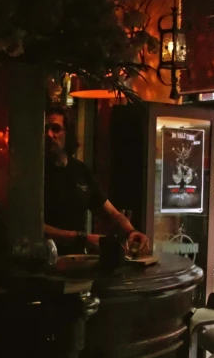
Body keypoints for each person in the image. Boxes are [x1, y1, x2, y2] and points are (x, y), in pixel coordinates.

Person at [44, 106, 150, 256]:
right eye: (45, 129)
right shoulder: (35, 173)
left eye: (55, 128)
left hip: (76, 264)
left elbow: (112, 213)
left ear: (68, 133)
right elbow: (34, 226)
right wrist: (82, 239)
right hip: (45, 263)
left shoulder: (80, 171)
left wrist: (132, 232)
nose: (49, 134)